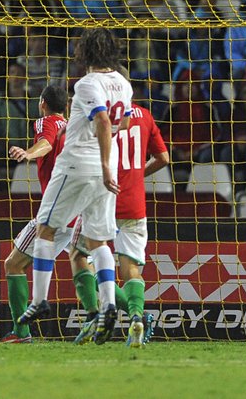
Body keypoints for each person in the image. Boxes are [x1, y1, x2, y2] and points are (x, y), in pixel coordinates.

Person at [16, 28, 132, 345]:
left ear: (85, 53)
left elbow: (105, 122)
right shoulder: (124, 83)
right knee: (98, 242)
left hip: (78, 164)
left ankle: (39, 300)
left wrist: (105, 164)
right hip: (106, 168)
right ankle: (108, 306)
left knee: (45, 229)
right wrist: (109, 166)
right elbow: (122, 123)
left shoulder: (86, 84)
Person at [72, 99, 169, 348]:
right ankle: (137, 316)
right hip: (135, 205)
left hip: (102, 200)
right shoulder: (145, 115)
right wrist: (137, 174)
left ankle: (94, 314)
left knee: (79, 256)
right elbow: (164, 158)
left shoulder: (102, 116)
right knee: (131, 268)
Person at [1, 84, 74, 344]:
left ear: (42, 102)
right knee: (89, 268)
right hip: (78, 212)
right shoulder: (73, 125)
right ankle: (136, 313)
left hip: (55, 212)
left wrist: (28, 153)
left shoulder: (46, 122)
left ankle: (21, 332)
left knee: (13, 264)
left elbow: (46, 143)